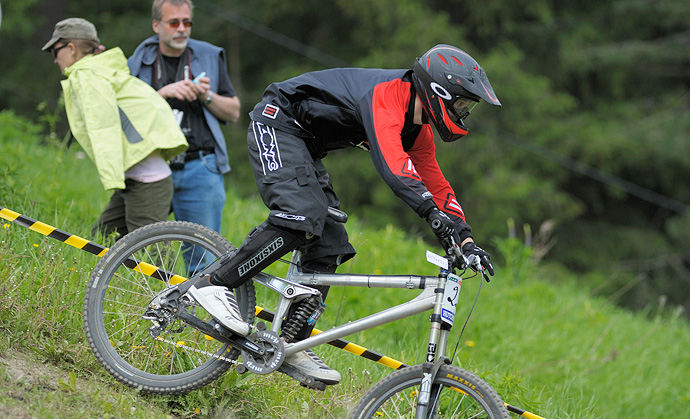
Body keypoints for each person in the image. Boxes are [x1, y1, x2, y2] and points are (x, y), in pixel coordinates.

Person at [186, 44, 499, 385]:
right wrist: (432, 217)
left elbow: (437, 185)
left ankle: (293, 341)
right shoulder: (389, 96)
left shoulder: (419, 131)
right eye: (462, 103)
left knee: (330, 243)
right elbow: (395, 169)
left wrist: (465, 238)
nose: (464, 111)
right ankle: (214, 283)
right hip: (278, 121)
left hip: (305, 147)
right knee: (301, 216)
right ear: (441, 92)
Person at [43, 18, 187, 238]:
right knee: (102, 237)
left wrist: (111, 178)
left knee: (150, 260)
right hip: (138, 178)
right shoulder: (101, 70)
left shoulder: (87, 75)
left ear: (71, 49)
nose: (54, 60)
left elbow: (103, 126)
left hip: (146, 182)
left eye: (55, 51)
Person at [127, 0, 240, 264]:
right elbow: (125, 115)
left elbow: (234, 112)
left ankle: (198, 306)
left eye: (187, 22)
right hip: (151, 167)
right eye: (174, 22)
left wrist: (207, 96)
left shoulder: (210, 56)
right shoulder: (139, 60)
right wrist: (162, 95)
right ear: (156, 25)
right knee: (142, 255)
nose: (182, 29)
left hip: (199, 167)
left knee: (205, 261)